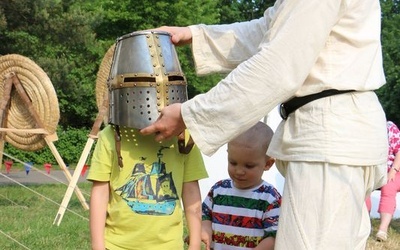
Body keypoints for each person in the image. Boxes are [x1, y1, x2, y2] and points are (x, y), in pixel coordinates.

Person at [141, 1, 389, 249]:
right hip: (338, 134)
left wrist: (189, 114)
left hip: (331, 138)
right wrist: (198, 36)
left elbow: (279, 64)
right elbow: (272, 31)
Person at [87, 30, 208, 250]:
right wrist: (98, 245)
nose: (159, 90)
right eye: (143, 81)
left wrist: (194, 241)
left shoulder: (184, 137)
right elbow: (100, 192)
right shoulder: (111, 137)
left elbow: (191, 192)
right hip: (118, 245)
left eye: (170, 81)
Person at [201, 122, 281, 250]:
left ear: (268, 164)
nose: (239, 171)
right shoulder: (219, 190)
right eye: (233, 162)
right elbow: (205, 214)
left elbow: (274, 236)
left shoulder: (270, 198)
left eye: (249, 166)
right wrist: (205, 229)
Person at [366, 121, 400, 242]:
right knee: (363, 188)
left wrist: (393, 170)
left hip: (394, 168)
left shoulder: (390, 128)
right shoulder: (363, 129)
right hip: (372, 170)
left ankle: (382, 230)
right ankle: (365, 227)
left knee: (389, 187)